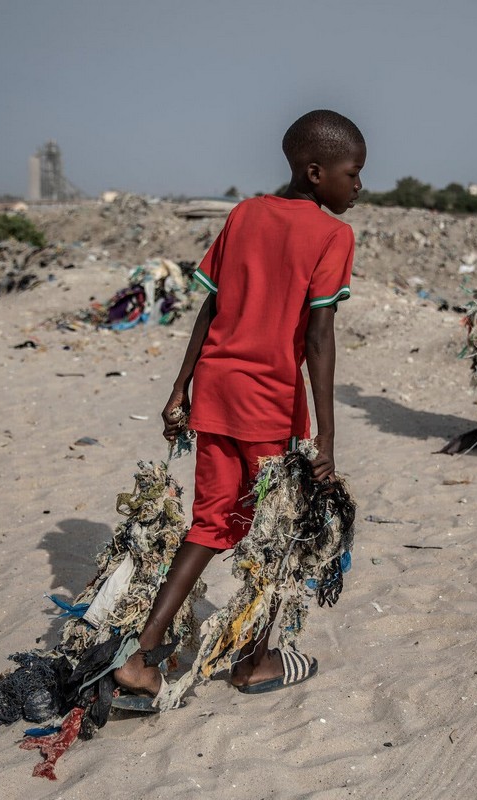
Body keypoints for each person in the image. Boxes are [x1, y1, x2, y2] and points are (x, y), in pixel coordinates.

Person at [114, 109, 365, 698]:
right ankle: (254, 661)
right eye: (353, 173)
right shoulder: (333, 234)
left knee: (211, 521)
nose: (359, 186)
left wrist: (181, 387)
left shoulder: (246, 213)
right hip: (268, 400)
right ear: (314, 171)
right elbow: (318, 336)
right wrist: (326, 436)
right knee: (281, 531)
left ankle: (143, 657)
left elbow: (210, 306)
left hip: (215, 392)